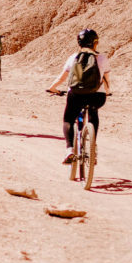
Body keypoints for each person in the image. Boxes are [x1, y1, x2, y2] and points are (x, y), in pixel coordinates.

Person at [48, 29, 111, 164]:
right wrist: (107, 91)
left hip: (76, 95)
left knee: (68, 119)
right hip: (97, 96)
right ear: (95, 43)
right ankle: (92, 148)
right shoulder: (102, 58)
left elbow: (62, 78)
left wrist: (53, 88)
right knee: (93, 113)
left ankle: (69, 149)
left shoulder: (73, 58)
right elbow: (106, 80)